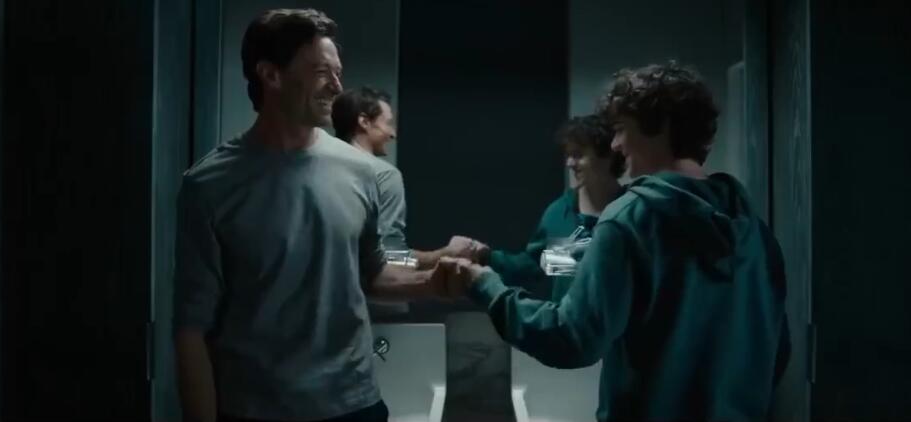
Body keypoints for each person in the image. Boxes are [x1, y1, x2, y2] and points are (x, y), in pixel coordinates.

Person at [439, 61, 791, 422]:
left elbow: (573, 338)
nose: (616, 144)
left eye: (621, 129)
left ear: (660, 126)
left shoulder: (629, 220)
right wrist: (490, 257)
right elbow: (776, 352)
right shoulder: (756, 231)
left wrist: (487, 288)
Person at [173, 9, 452, 422]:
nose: (337, 87)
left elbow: (372, 273)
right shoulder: (209, 185)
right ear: (271, 75)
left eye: (338, 73)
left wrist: (433, 283)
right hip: (256, 410)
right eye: (323, 73)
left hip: (355, 404)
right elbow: (190, 329)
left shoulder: (361, 172)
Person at [450, 115, 624, 301]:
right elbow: (535, 267)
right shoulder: (559, 213)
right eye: (568, 155)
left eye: (578, 155)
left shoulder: (632, 211)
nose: (570, 163)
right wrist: (487, 257)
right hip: (569, 319)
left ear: (607, 156)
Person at [331, 87, 471, 269]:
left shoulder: (314, 168)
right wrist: (443, 255)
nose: (393, 134)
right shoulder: (384, 175)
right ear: (364, 122)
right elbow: (392, 258)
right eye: (388, 123)